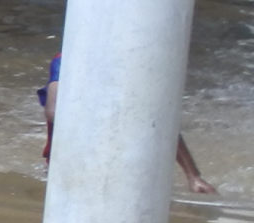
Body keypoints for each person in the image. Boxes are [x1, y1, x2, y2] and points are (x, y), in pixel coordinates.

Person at [39, 55, 211, 193]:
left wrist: (193, 176)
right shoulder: (67, 60)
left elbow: (160, 123)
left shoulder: (130, 67)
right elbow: (53, 111)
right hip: (67, 166)